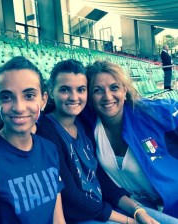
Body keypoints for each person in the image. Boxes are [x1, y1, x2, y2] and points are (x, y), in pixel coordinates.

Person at [35, 59, 161, 224]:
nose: (74, 97)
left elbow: (99, 177)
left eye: (81, 89)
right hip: (83, 217)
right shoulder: (46, 132)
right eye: (65, 90)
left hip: (103, 208)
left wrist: (136, 210)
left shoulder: (83, 125)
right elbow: (71, 197)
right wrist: (128, 220)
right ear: (51, 92)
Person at [0, 56, 65, 224]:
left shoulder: (50, 149)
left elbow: (57, 217)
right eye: (7, 97)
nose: (19, 107)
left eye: (29, 95)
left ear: (43, 100)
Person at [86, 60, 178, 222]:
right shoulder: (87, 124)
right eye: (98, 90)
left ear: (125, 89)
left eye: (114, 88)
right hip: (129, 205)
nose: (107, 97)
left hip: (171, 202)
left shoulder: (151, 112)